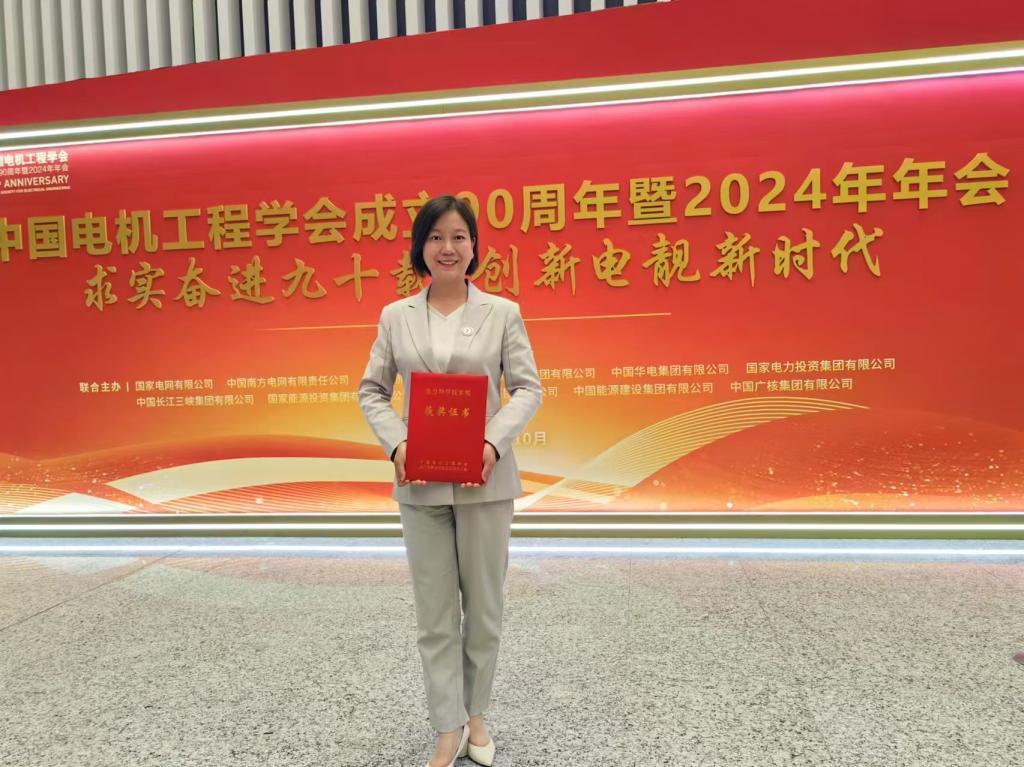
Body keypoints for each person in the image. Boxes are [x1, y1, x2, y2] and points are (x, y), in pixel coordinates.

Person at [358, 194, 543, 767]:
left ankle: (476, 715)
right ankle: (448, 726)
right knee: (434, 615)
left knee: (483, 610)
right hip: (420, 485)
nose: (448, 247)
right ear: (421, 247)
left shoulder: (502, 313)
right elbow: (372, 391)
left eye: (459, 236)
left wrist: (492, 442)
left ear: (473, 247)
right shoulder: (395, 316)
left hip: (485, 482)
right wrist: (398, 443)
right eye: (436, 236)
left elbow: (528, 388)